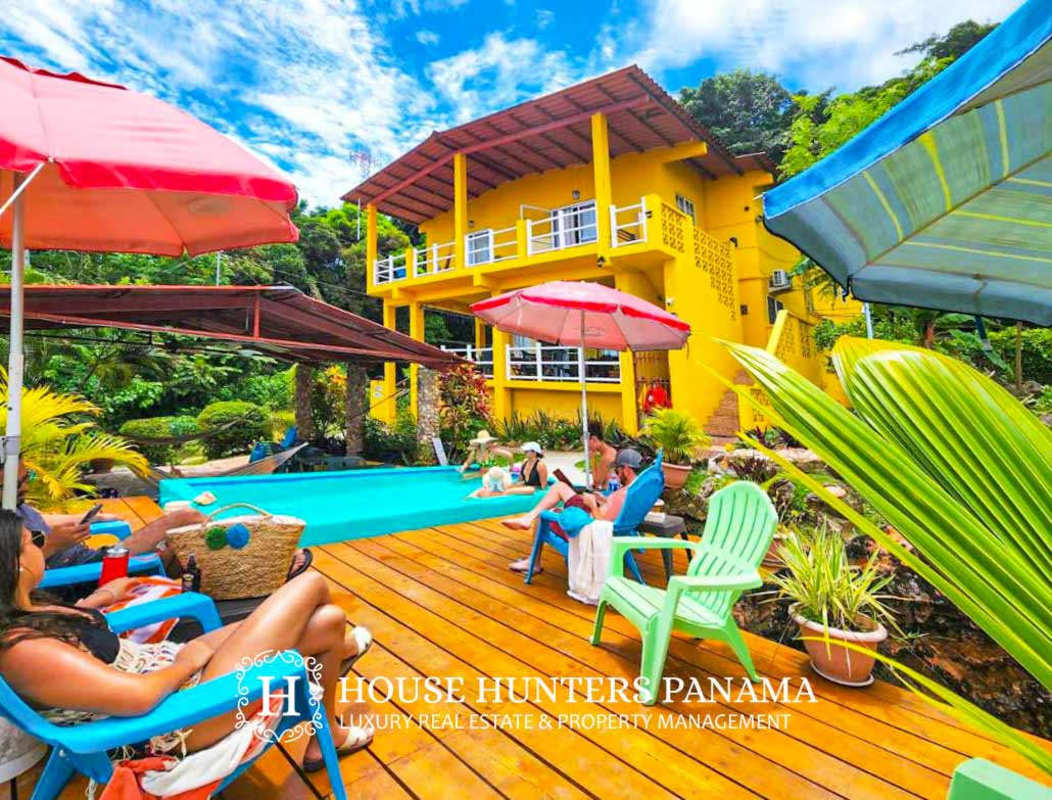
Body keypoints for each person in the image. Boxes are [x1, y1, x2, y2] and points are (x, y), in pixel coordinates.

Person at [0, 509, 374, 770]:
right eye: (32, 540)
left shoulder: (26, 612)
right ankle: (338, 658)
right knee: (310, 584)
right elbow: (138, 698)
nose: (40, 542)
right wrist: (189, 659)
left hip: (172, 678)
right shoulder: (22, 651)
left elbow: (78, 647)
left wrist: (99, 601)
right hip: (174, 723)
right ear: (15, 564)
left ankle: (329, 732)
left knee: (329, 620)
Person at [6, 460, 311, 581]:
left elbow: (45, 517)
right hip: (86, 577)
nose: (26, 485)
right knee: (189, 548)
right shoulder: (7, 527)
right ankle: (271, 565)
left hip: (97, 557)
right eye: (19, 482)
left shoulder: (14, 505)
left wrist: (98, 517)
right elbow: (16, 576)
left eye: (27, 477)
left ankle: (266, 554)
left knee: (188, 517)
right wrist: (53, 545)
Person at [503, 449, 643, 573]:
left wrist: (593, 505)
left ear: (626, 470)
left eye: (617, 471)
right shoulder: (636, 490)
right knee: (561, 486)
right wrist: (603, 501)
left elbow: (603, 525)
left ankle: (533, 561)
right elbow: (614, 512)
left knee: (544, 515)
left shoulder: (622, 495)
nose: (617, 475)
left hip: (588, 526)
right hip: (597, 515)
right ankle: (527, 519)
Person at [587, 422, 618, 490]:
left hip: (608, 495)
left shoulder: (606, 457)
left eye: (587, 442)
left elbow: (597, 483)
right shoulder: (611, 450)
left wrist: (592, 459)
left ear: (594, 439)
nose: (587, 446)